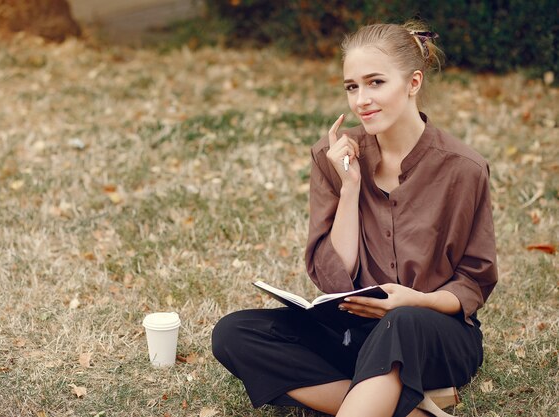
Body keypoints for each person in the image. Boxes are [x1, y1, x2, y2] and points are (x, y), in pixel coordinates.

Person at [212, 21, 498, 417]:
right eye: (351, 86)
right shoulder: (334, 158)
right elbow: (333, 279)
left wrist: (414, 300)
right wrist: (349, 187)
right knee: (235, 333)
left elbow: (474, 280)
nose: (361, 99)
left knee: (402, 323)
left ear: (413, 83)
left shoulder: (464, 168)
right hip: (355, 334)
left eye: (375, 82)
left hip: (430, 334)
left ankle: (379, 397)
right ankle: (411, 409)